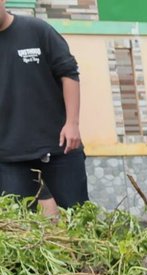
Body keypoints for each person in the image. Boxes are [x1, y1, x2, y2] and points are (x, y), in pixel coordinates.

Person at [0, 5, 86, 211]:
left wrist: (72, 123)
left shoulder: (37, 30)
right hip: (10, 156)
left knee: (79, 218)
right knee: (20, 229)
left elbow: (69, 72)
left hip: (60, 146)